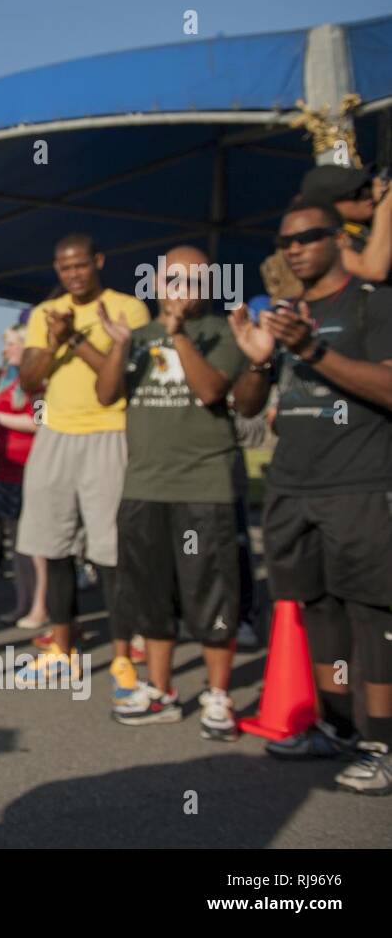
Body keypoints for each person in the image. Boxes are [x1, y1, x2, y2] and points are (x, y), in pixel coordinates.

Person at [229, 198, 392, 795]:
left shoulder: (374, 304)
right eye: (285, 241)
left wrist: (314, 350)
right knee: (318, 612)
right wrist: (255, 364)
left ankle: (383, 742)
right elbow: (248, 407)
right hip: (293, 485)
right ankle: (338, 725)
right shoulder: (284, 313)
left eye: (307, 237)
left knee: (372, 617)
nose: (293, 249)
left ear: (339, 239)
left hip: (360, 484)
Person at [95, 245, 252, 737]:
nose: (181, 289)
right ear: (157, 283)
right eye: (173, 279)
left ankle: (219, 695)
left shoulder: (223, 332)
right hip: (145, 485)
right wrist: (119, 345)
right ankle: (161, 690)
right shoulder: (137, 335)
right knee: (150, 595)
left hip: (204, 486)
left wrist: (178, 334)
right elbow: (105, 394)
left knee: (210, 592)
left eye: (194, 280)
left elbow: (210, 391)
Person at [14, 234, 151, 694]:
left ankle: (121, 654)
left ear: (98, 261)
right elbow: (31, 380)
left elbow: (112, 387)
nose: (73, 274)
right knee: (51, 546)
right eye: (64, 267)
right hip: (55, 435)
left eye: (80, 265)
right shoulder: (42, 314)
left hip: (109, 433)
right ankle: (62, 648)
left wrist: (74, 337)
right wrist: (54, 341)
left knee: (110, 552)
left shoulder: (128, 309)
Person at [0, 324, 48, 630]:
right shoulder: (2, 383)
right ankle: (22, 602)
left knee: (38, 544)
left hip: (31, 466)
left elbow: (40, 422)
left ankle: (41, 606)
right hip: (2, 467)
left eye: (12, 344)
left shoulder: (40, 383)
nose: (6, 350)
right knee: (17, 541)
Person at [299, 164, 390, 286]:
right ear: (329, 206)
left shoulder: (365, 227)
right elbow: (374, 271)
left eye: (366, 185)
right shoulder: (323, 242)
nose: (367, 194)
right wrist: (385, 206)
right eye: (355, 194)